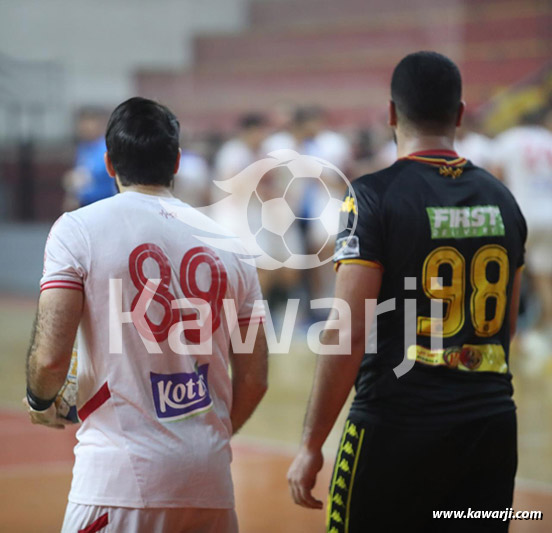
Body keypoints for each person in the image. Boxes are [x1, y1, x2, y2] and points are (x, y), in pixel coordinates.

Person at [288, 51, 526, 532]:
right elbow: (508, 324)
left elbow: (347, 331)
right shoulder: (503, 198)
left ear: (393, 113)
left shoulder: (374, 195)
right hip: (490, 428)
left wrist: (312, 443)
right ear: (459, 114)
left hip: (397, 429)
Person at [25, 97, 268, 532]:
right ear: (176, 161)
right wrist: (205, 443)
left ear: (109, 163)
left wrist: (40, 399)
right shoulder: (232, 244)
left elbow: (49, 359)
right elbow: (254, 378)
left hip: (117, 483)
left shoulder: (77, 229)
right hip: (210, 485)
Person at [490, 110, 552, 372]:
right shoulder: (549, 139)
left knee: (504, 277)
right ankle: (545, 336)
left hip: (521, 215)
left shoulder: (507, 139)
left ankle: (504, 339)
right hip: (550, 214)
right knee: (543, 279)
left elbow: (494, 179)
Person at [62, 107, 117, 209]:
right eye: (82, 123)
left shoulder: (106, 147)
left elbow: (95, 174)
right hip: (86, 205)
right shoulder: (83, 148)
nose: (85, 127)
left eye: (90, 122)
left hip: (105, 204)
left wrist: (78, 178)